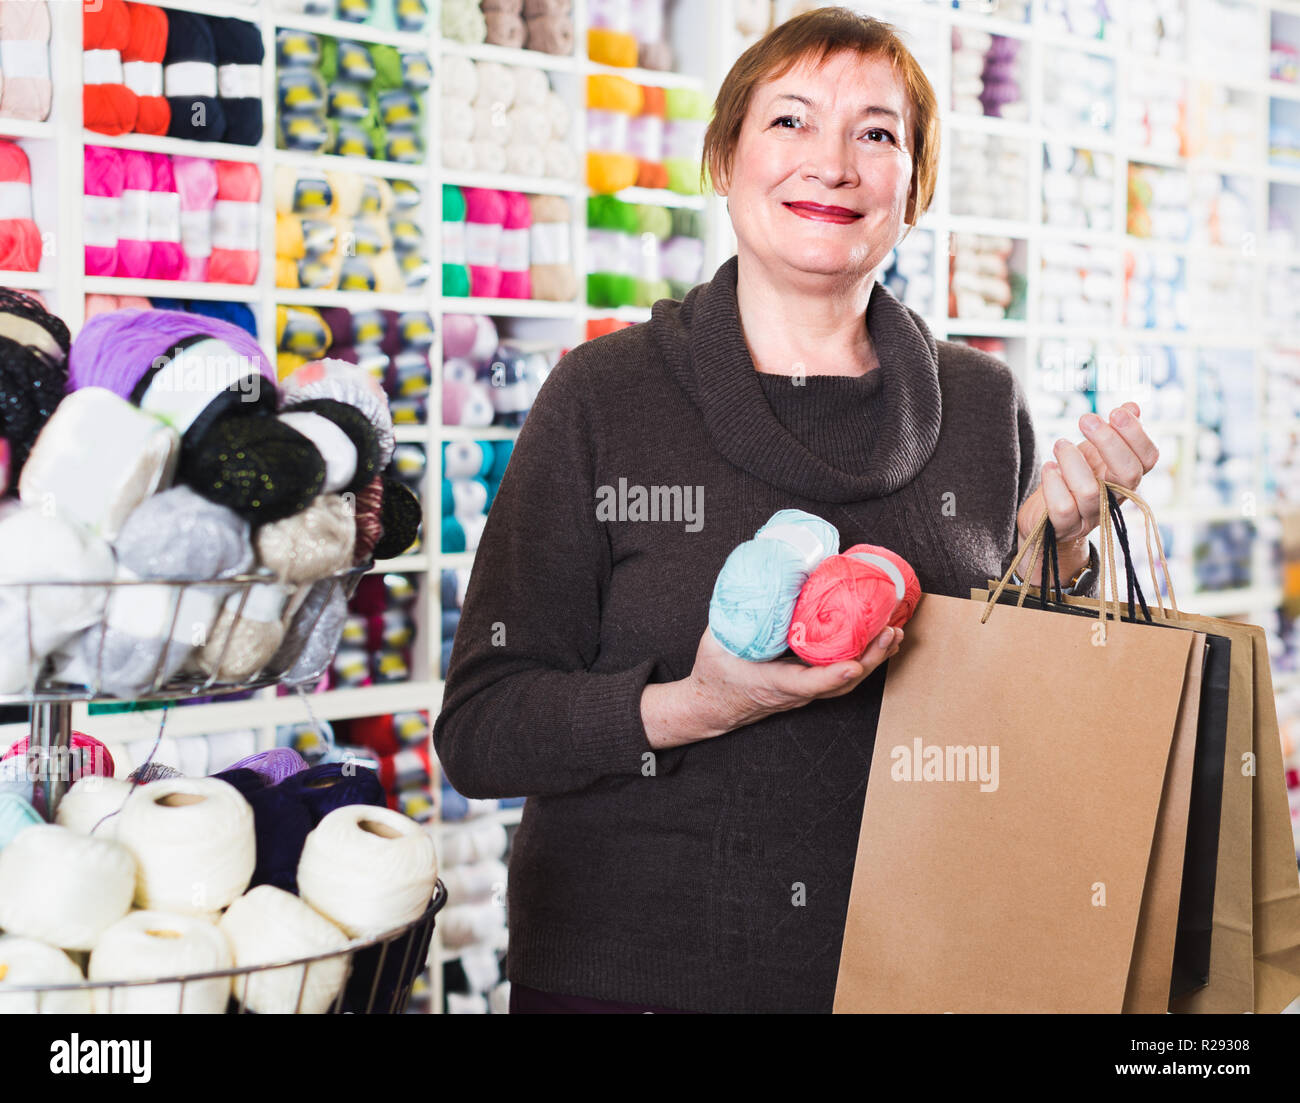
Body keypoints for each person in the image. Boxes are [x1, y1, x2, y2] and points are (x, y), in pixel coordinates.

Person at [433, 6, 1160, 1014]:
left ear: (913, 189)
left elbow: (1004, 723)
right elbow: (482, 730)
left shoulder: (982, 405)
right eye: (789, 122)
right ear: (723, 161)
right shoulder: (605, 395)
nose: (832, 163)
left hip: (921, 973)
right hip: (636, 982)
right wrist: (695, 702)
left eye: (876, 133)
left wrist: (1060, 557)